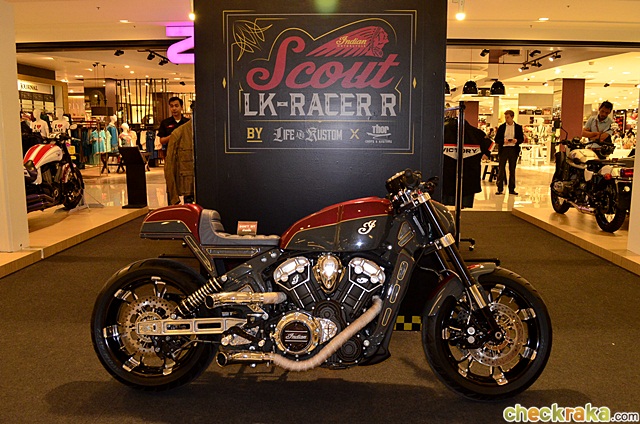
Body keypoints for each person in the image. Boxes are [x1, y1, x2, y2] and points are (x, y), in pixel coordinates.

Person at [494, 110, 524, 196]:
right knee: (501, 169)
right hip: (503, 149)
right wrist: (503, 141)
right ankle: (500, 188)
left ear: (512, 117)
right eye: (505, 117)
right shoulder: (502, 127)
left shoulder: (518, 127)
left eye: (507, 117)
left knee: (512, 169)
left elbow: (521, 139)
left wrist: (516, 140)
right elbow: (496, 139)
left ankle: (512, 189)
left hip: (513, 150)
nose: (506, 119)